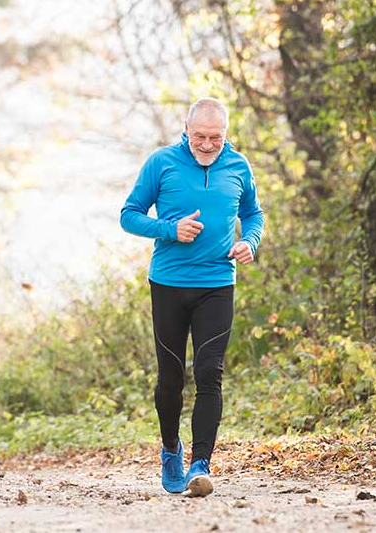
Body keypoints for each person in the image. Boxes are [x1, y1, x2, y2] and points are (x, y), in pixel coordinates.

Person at [120, 97, 264, 496]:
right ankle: (171, 450)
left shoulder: (238, 166)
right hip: (168, 283)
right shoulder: (161, 163)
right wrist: (170, 229)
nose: (206, 144)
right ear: (185, 131)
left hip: (218, 283)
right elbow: (129, 215)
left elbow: (253, 214)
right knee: (171, 379)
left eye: (215, 138)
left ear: (226, 135)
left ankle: (200, 464)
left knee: (209, 372)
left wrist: (250, 240)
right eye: (199, 136)